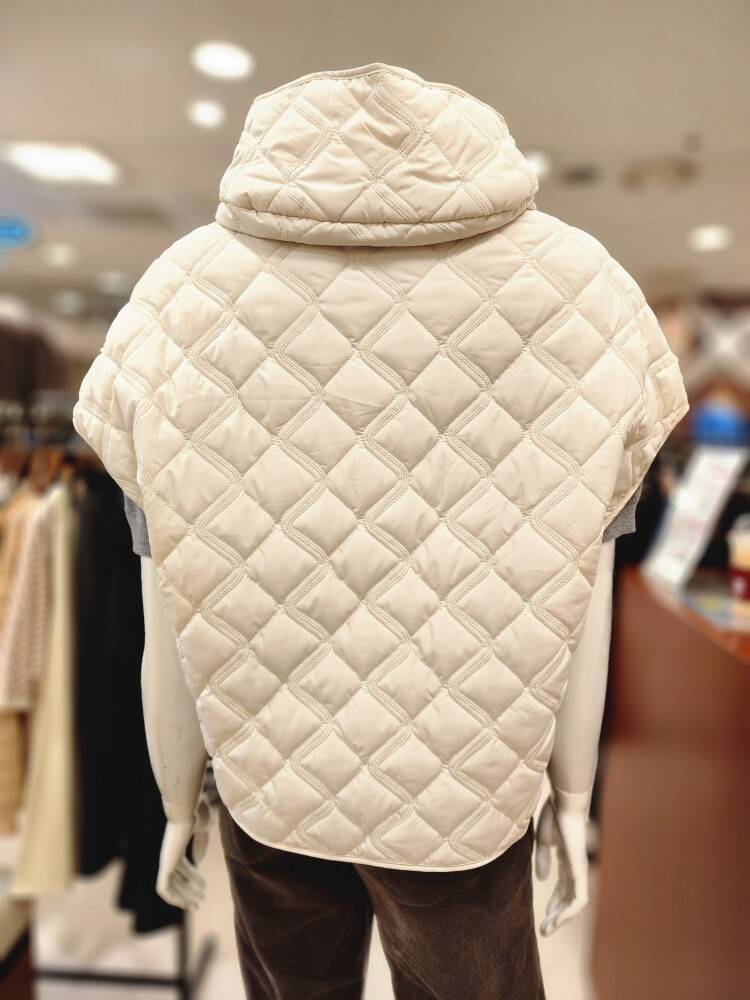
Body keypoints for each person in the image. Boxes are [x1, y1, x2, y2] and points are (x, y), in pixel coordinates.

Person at [74, 63, 689, 1000]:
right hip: (465, 788)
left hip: (269, 777)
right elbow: (586, 584)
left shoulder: (177, 298)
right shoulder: (583, 292)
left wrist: (174, 798)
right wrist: (570, 795)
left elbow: (166, 585)